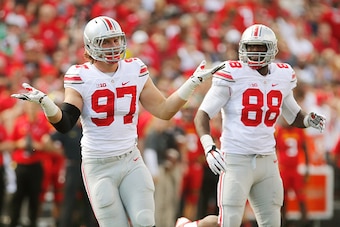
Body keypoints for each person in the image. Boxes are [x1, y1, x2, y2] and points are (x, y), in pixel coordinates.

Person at [11, 16, 225, 227]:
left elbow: (164, 110)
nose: (113, 46)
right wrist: (46, 103)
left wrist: (192, 83)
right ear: (91, 46)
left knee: (144, 221)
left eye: (115, 40)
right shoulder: (80, 75)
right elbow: (65, 123)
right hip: (99, 164)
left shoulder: (135, 69)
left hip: (130, 159)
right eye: (105, 41)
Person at [177, 24, 326, 227]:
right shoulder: (231, 73)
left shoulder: (282, 75)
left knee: (272, 222)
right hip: (236, 159)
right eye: (250, 47)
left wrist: (308, 119)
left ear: (272, 49)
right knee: (227, 223)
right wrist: (209, 147)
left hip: (267, 160)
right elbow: (202, 115)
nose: (254, 52)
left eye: (259, 47)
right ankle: (190, 226)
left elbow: (292, 115)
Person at [8, 101, 53, 227]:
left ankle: (33, 222)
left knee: (34, 196)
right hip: (21, 164)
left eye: (34, 108)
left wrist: (38, 145)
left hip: (36, 164)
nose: (32, 110)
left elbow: (49, 145)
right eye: (30, 108)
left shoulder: (43, 123)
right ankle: (13, 222)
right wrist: (19, 144)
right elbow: (11, 143)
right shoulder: (20, 122)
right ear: (26, 109)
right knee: (18, 196)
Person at [275, 119, 309, 227]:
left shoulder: (299, 131)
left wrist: (307, 167)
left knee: (300, 196)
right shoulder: (278, 131)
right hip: (283, 169)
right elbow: (273, 148)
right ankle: (283, 221)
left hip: (295, 169)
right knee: (283, 198)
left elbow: (305, 148)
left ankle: (305, 221)